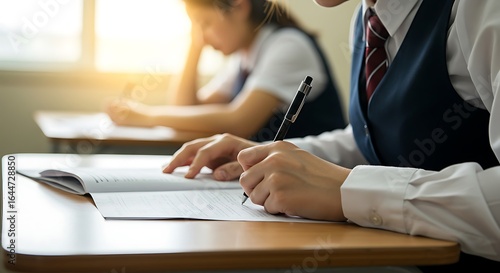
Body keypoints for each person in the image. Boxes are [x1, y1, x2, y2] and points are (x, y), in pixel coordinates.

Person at [162, 0, 500, 272]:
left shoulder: (479, 10)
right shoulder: (366, 20)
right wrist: (268, 155)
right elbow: (374, 138)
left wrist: (347, 190)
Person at [105, 0, 346, 142]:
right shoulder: (244, 56)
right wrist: (194, 46)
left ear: (239, 7)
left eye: (205, 23)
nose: (201, 35)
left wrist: (146, 116)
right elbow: (186, 110)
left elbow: (238, 121)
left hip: (314, 181)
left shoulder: (288, 45)